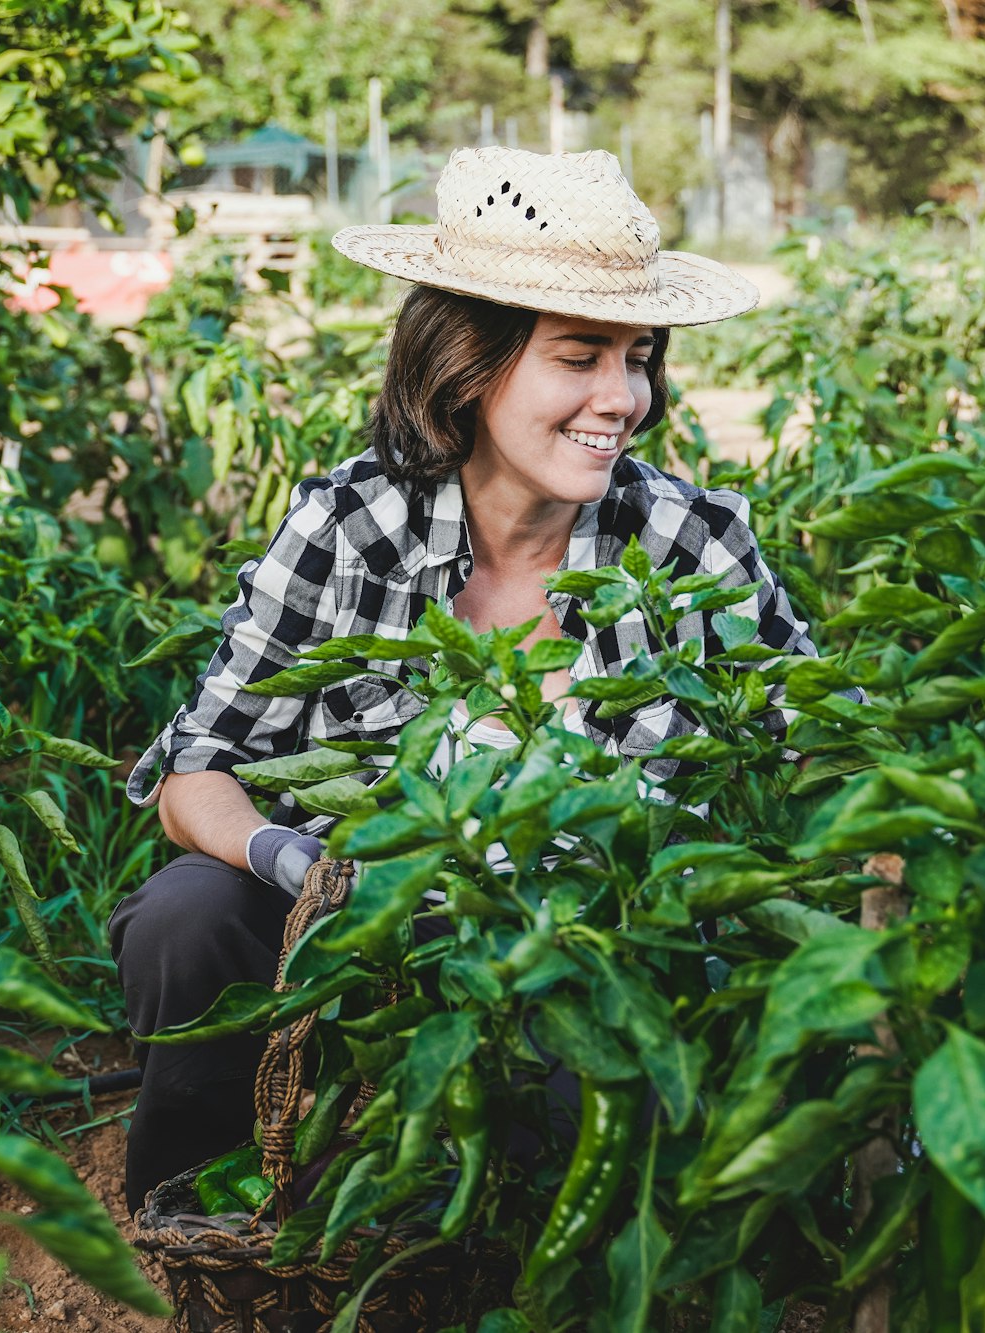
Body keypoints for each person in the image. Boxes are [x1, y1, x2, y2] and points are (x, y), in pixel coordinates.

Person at [110, 144, 832, 1213]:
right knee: (188, 915)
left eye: (636, 357)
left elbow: (816, 745)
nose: (620, 397)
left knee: (547, 1111)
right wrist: (289, 854)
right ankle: (211, 1227)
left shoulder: (687, 539)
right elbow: (194, 770)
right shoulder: (352, 530)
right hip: (360, 931)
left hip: (585, 944)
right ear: (468, 364)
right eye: (579, 356)